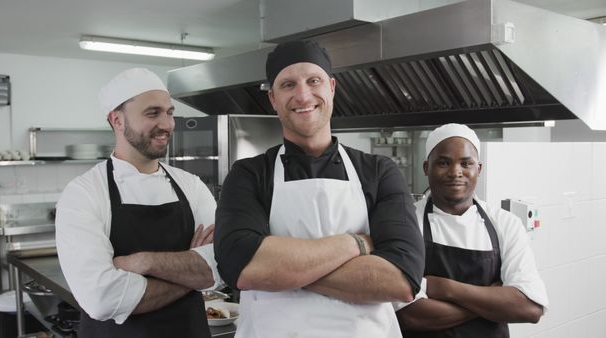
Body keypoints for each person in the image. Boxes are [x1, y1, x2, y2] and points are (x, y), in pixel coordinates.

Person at [214, 40, 425, 338]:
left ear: (332, 87)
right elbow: (240, 267)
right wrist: (357, 245)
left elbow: (402, 281)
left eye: (314, 81)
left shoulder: (378, 171)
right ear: (273, 99)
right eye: (288, 84)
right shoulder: (249, 174)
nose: (303, 94)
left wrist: (278, 271)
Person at [56, 68, 221, 338]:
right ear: (117, 120)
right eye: (152, 113)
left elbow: (220, 267)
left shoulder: (191, 185)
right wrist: (191, 276)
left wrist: (143, 262)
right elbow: (102, 298)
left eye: (169, 113)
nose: (167, 124)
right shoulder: (83, 194)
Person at [395, 123, 549, 337]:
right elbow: (409, 314)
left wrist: (444, 288)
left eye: (466, 163)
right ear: (426, 168)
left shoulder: (505, 224)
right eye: (443, 163)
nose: (455, 172)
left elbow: (530, 308)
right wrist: (493, 300)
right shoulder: (407, 224)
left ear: (479, 169)